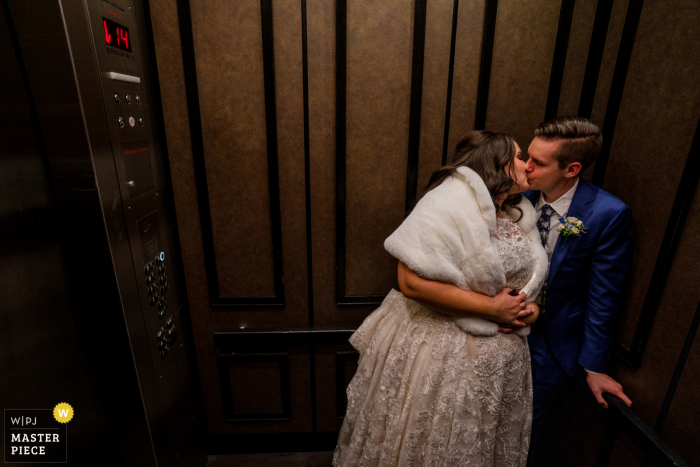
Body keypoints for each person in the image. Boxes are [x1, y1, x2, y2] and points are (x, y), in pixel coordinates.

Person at [333, 131, 549, 467]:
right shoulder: (447, 202)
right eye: (520, 157)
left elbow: (527, 285)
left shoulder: (519, 213)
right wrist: (493, 308)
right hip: (446, 354)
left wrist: (528, 312)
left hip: (503, 362)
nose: (527, 165)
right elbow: (411, 282)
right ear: (498, 163)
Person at [519, 116, 634, 466]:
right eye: (528, 156)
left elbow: (605, 293)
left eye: (537, 163)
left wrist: (594, 366)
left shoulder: (606, 214)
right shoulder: (515, 196)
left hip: (551, 342)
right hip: (497, 328)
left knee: (527, 430)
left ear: (571, 169)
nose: (525, 167)